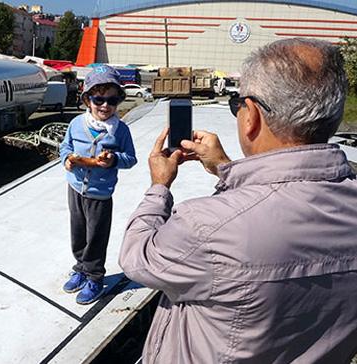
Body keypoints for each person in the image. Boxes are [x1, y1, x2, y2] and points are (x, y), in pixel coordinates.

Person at [119, 38, 357, 362]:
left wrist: (159, 186)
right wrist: (225, 169)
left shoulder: (205, 226)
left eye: (239, 105)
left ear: (252, 117)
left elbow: (138, 257)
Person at [59, 65, 137, 305]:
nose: (105, 106)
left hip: (100, 195)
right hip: (75, 189)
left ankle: (95, 276)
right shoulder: (76, 124)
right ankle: (80, 268)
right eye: (98, 99)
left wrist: (114, 160)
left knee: (96, 236)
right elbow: (66, 147)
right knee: (78, 232)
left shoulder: (120, 131)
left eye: (112, 100)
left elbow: (130, 159)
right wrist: (67, 159)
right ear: (87, 100)